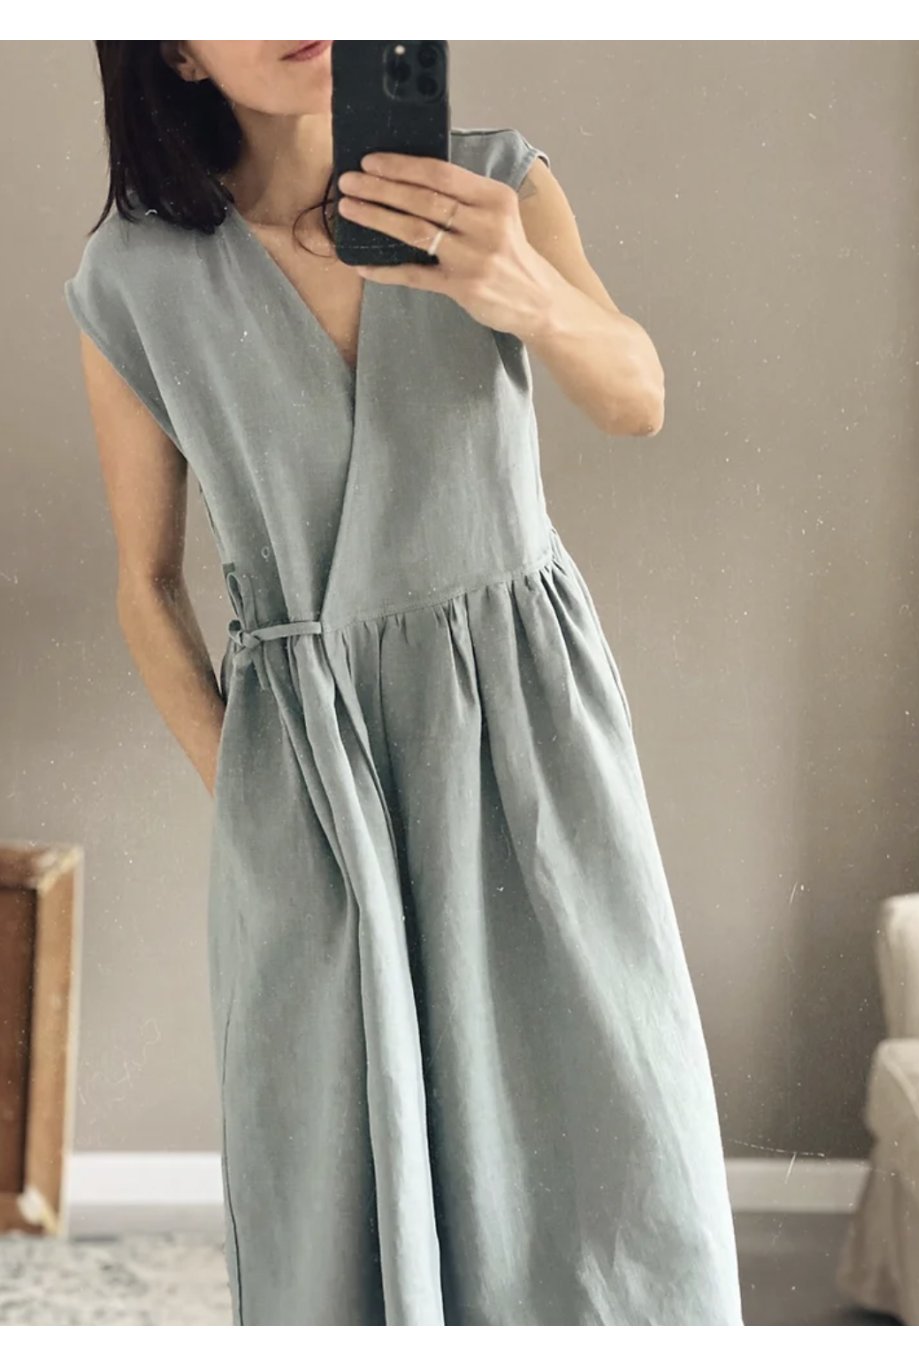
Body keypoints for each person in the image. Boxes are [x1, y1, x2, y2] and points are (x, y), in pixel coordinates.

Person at [64, 40, 744, 1327]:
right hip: (312, 778)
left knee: (606, 1133)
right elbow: (144, 585)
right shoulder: (134, 278)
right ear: (173, 48)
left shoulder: (494, 183)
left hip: (528, 738)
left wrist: (523, 290)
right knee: (338, 1176)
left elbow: (637, 399)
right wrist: (255, 794)